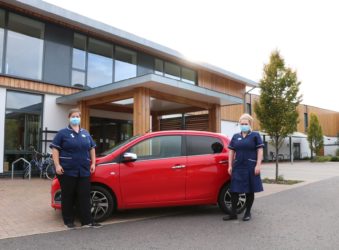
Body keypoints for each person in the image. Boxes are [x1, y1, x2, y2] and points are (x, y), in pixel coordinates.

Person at [50, 108, 101, 229]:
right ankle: (68, 221)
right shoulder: (62, 133)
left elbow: (92, 148)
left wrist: (93, 163)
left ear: (80, 118)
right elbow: (55, 149)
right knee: (68, 196)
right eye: (73, 116)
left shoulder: (85, 133)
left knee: (84, 196)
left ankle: (87, 221)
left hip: (83, 170)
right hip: (67, 170)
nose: (75, 118)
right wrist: (57, 165)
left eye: (77, 116)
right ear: (69, 118)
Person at [223, 113, 264, 222]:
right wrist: (230, 165)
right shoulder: (236, 136)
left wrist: (258, 165)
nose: (243, 125)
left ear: (250, 124)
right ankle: (233, 213)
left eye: (245, 124)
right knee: (234, 190)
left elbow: (260, 150)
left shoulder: (255, 135)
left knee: (249, 191)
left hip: (251, 167)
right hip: (238, 167)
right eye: (241, 124)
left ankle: (247, 212)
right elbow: (231, 151)